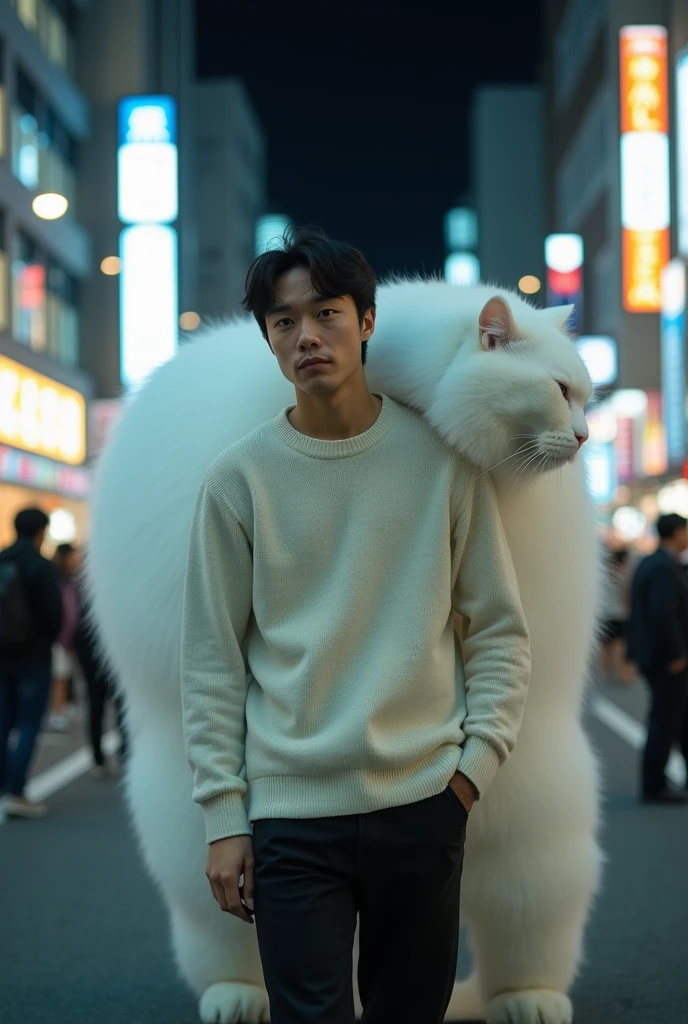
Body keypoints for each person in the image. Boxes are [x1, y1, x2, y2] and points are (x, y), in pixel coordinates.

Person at [180, 226, 531, 1023]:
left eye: (326, 313)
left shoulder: (442, 464)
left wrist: (470, 773)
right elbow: (210, 661)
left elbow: (498, 630)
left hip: (425, 799)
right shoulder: (238, 480)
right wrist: (224, 819)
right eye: (283, 321)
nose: (306, 335)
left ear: (365, 321)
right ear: (268, 341)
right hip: (290, 815)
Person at [0, 508, 63, 818]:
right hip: (34, 657)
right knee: (27, 724)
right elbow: (54, 614)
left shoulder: (2, 559)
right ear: (41, 531)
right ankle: (16, 791)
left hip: (2, 657)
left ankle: (4, 785)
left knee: (2, 721)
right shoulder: (40, 565)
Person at [627, 512, 688, 804]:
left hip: (653, 655)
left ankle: (658, 781)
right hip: (667, 658)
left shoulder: (651, 562)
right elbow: (662, 613)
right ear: (676, 533)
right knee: (665, 719)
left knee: (676, 717)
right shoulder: (664, 567)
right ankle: (654, 784)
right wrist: (675, 653)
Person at [73, 568, 129, 777]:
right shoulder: (120, 587)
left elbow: (75, 624)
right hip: (115, 655)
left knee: (96, 706)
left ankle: (98, 759)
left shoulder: (82, 584)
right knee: (120, 706)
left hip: (92, 656)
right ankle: (124, 755)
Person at [48, 542, 81, 731]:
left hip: (64, 638)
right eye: (73, 557)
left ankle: (60, 709)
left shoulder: (67, 579)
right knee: (60, 677)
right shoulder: (60, 580)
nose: (75, 561)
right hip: (60, 638)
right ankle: (56, 712)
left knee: (63, 676)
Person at [599, 548, 634, 684]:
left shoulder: (605, 574)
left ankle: (604, 671)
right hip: (620, 615)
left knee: (605, 646)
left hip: (605, 615)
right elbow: (627, 596)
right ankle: (621, 674)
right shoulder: (623, 574)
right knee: (619, 647)